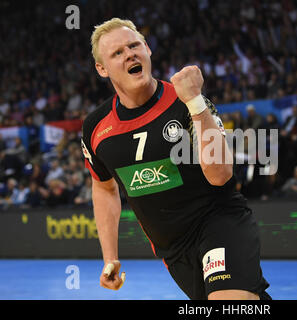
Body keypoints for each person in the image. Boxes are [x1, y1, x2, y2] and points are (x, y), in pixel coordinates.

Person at [82, 18, 270, 300]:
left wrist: (195, 102)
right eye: (117, 53)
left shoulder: (187, 101)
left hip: (218, 223)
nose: (130, 54)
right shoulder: (96, 128)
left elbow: (220, 175)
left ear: (147, 49)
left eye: (134, 45)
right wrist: (110, 256)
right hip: (173, 249)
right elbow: (104, 187)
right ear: (102, 68)